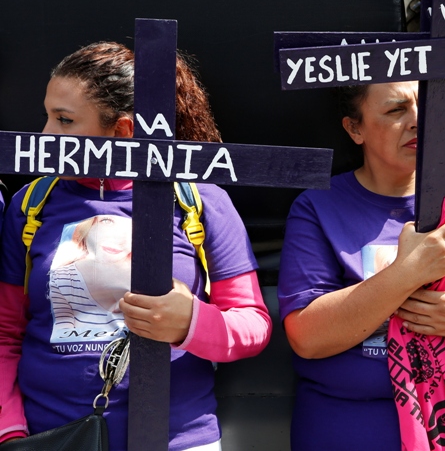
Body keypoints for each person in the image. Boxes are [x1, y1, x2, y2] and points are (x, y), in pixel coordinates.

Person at [0, 42, 272, 450]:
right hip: (53, 438)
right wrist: (11, 429)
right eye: (47, 116)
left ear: (123, 131)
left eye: (65, 120)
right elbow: (5, 333)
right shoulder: (30, 205)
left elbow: (253, 325)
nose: (46, 136)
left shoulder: (199, 199)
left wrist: (191, 322)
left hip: (178, 439)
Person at [277, 80, 445, 450]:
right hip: (351, 424)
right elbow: (306, 338)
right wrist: (407, 273)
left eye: (427, 105)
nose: (417, 120)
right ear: (354, 128)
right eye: (396, 110)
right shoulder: (317, 207)